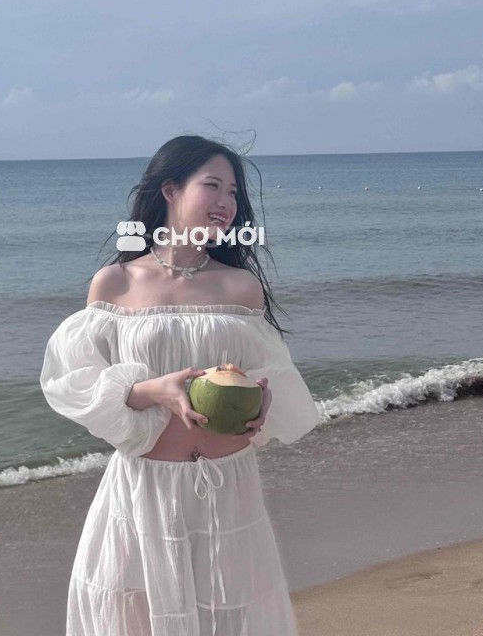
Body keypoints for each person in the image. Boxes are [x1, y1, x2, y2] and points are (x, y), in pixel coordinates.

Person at [40, 134, 320, 636]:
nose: (226, 202)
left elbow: (270, 374)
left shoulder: (241, 287)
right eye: (212, 185)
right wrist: (153, 391)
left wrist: (263, 402)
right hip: (144, 487)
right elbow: (79, 386)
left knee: (228, 620)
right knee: (136, 618)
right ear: (170, 190)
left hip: (228, 486)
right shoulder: (116, 283)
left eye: (233, 192)